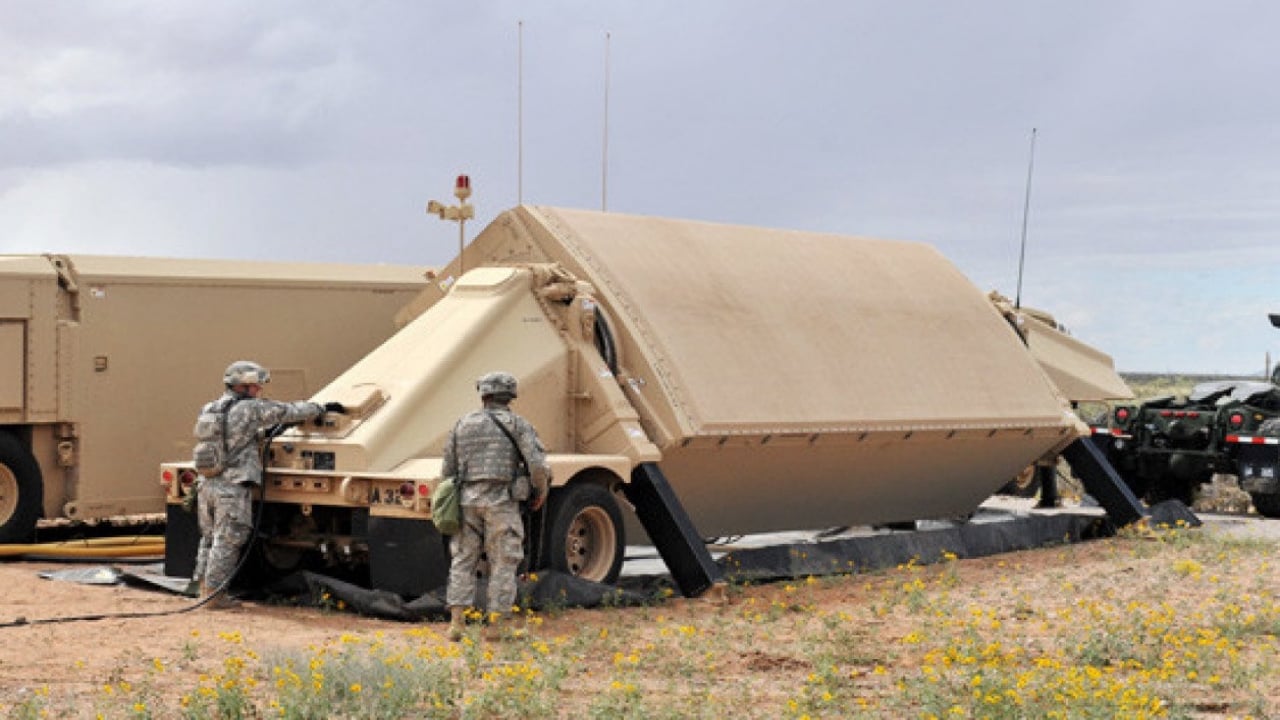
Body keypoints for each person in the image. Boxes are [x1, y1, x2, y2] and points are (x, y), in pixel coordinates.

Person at [190, 360, 339, 609]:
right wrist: (319, 408)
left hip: (207, 483)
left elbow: (231, 438)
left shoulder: (211, 408)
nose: (259, 390)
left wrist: (264, 434)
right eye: (256, 385)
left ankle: (202, 588)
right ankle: (214, 596)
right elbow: (287, 411)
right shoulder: (249, 408)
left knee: (209, 538)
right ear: (243, 385)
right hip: (232, 486)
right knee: (228, 540)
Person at [443, 371, 551, 641]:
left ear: (484, 395)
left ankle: (456, 624)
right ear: (510, 395)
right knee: (504, 561)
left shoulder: (462, 424)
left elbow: (448, 470)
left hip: (467, 501)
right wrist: (540, 490)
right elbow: (537, 465)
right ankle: (497, 626)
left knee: (463, 559)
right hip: (502, 502)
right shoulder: (518, 424)